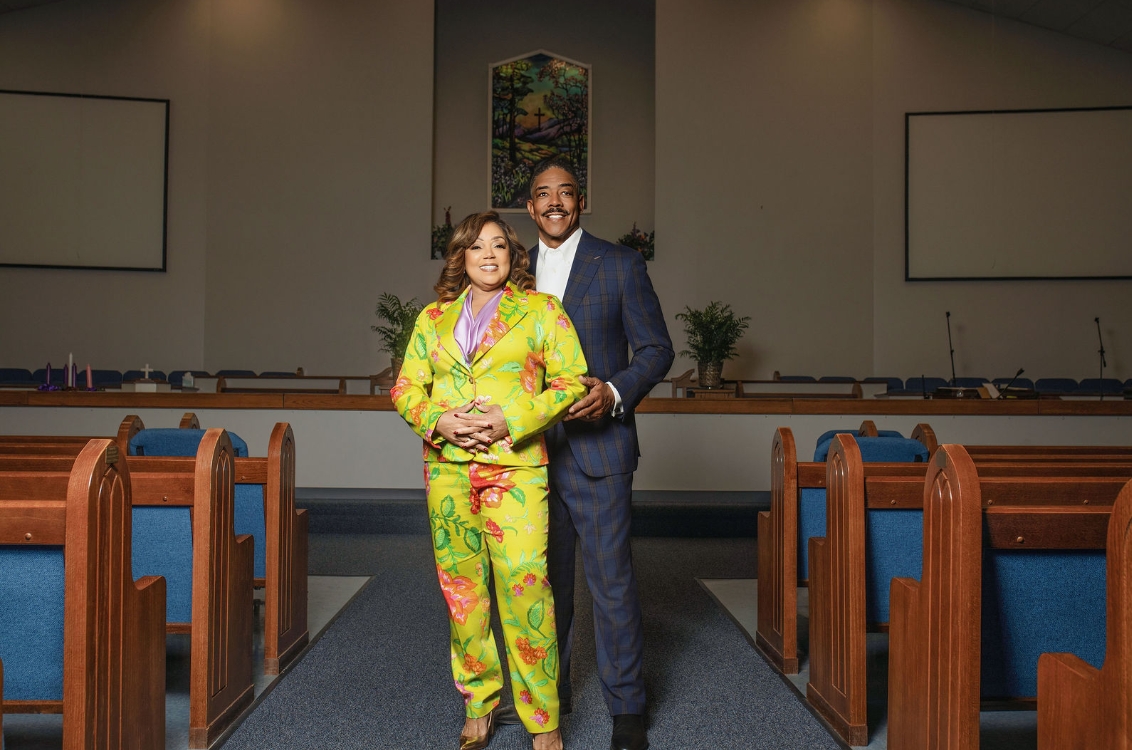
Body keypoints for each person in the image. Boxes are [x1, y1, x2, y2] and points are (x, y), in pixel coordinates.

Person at [392, 210, 588, 750]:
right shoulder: (432, 318)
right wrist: (439, 420)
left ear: (512, 255)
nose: (488, 254)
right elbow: (407, 386)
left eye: (499, 245)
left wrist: (511, 420)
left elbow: (571, 380)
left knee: (526, 587)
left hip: (517, 470)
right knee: (463, 592)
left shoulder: (542, 311)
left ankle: (542, 719)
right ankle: (478, 702)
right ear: (460, 256)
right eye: (476, 246)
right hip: (449, 472)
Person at [530, 156, 673, 750]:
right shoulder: (509, 270)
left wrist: (615, 391)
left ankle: (628, 708)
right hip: (527, 454)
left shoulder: (619, 264)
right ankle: (548, 698)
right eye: (544, 193)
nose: (555, 202)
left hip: (600, 450)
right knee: (539, 582)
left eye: (566, 192)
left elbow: (657, 349)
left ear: (580, 201)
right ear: (531, 205)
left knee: (610, 582)